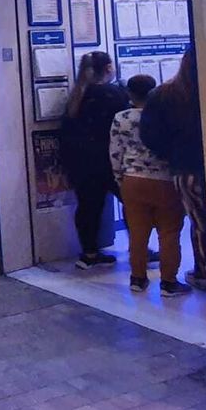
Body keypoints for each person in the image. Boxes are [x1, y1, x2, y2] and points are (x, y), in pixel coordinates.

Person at [109, 75, 190, 296]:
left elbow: (116, 152)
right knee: (169, 233)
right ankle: (168, 283)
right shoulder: (166, 116)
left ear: (130, 94)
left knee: (137, 233)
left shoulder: (121, 117)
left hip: (132, 180)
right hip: (165, 181)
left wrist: (120, 179)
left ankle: (137, 278)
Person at [139, 50, 206, 290]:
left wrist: (171, 155)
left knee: (200, 224)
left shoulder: (164, 94)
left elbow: (150, 136)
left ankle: (205, 272)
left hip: (186, 168)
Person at [61, 51, 129, 268]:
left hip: (82, 163)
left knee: (88, 208)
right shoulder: (113, 94)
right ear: (109, 68)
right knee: (133, 204)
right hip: (111, 160)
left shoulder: (76, 97)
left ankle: (89, 253)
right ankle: (139, 248)